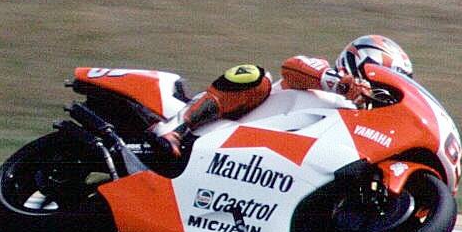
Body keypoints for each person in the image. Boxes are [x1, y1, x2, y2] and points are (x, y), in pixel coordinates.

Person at [152, 35, 413, 157]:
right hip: (227, 128)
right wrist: (342, 85)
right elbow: (292, 66)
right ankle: (177, 128)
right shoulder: (324, 78)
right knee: (255, 76)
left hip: (262, 160)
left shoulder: (362, 126)